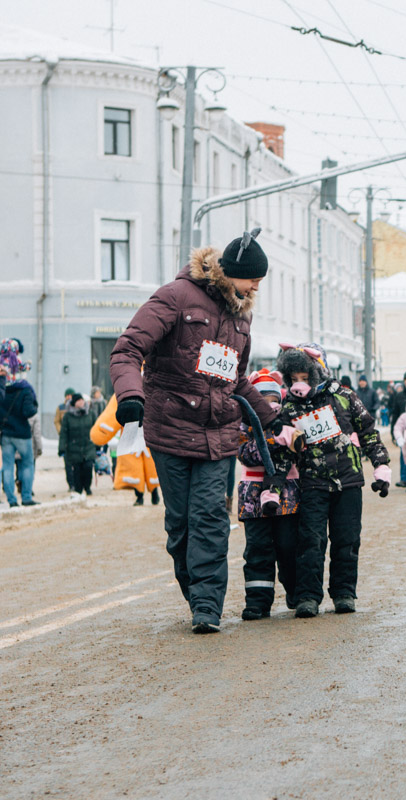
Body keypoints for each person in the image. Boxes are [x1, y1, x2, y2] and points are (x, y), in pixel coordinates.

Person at [109, 229, 280, 634]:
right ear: (231, 272)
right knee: (180, 524)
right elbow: (128, 349)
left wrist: (271, 417)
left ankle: (207, 606)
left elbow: (234, 379)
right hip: (169, 428)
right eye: (253, 277)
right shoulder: (176, 297)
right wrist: (130, 395)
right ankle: (195, 590)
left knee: (210, 518)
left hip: (219, 435)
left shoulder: (242, 316)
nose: (257, 285)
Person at [275, 342, 391, 618]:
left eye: (305, 377)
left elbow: (368, 431)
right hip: (313, 483)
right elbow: (283, 450)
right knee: (310, 541)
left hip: (348, 481)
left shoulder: (344, 396)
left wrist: (381, 465)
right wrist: (274, 484)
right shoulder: (290, 407)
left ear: (319, 372)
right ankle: (308, 596)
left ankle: (344, 593)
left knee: (347, 539)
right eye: (294, 379)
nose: (299, 384)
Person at [236, 369, 299, 619]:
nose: (269, 406)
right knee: (257, 548)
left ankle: (296, 591)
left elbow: (297, 449)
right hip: (252, 494)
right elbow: (244, 453)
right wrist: (272, 442)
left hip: (287, 492)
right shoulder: (243, 424)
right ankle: (258, 602)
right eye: (262, 400)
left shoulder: (289, 421)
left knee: (289, 545)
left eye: (273, 399)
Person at [90, 393, 160, 505]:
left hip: (145, 431)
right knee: (135, 467)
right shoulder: (127, 388)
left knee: (151, 465)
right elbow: (113, 412)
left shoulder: (128, 388)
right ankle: (140, 495)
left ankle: (153, 492)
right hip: (133, 431)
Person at [1, 338, 39, 507]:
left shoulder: (2, 387)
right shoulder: (24, 388)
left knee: (7, 466)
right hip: (22, 433)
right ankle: (26, 497)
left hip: (6, 433)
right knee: (27, 464)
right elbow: (29, 412)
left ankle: (11, 500)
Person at [58, 394, 95, 495]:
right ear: (74, 403)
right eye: (78, 400)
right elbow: (64, 433)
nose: (81, 402)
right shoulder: (68, 416)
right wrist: (61, 447)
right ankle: (78, 489)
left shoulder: (90, 414)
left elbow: (96, 428)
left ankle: (87, 486)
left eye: (82, 400)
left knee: (88, 467)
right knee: (77, 470)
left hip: (89, 446)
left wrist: (100, 443)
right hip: (74, 448)